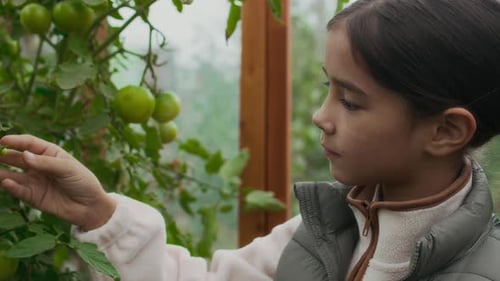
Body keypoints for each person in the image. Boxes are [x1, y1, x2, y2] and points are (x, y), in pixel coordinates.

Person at [1, 0, 500, 280]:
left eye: (350, 102)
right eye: (328, 87)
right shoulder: (320, 230)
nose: (319, 116)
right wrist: (100, 214)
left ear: (445, 131)